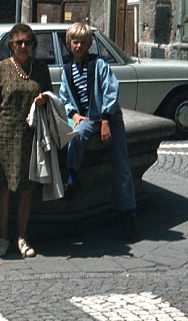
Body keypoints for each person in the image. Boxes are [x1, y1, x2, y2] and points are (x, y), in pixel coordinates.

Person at [58, 21, 137, 239]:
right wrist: (73, 114)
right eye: (75, 42)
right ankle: (73, 177)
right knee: (76, 136)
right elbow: (65, 95)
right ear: (69, 43)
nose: (78, 46)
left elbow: (110, 91)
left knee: (120, 162)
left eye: (83, 42)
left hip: (108, 118)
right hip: (86, 118)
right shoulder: (67, 69)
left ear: (89, 44)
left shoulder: (100, 64)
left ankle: (129, 212)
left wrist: (105, 121)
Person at [0, 24, 52, 259]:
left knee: (25, 189)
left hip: (29, 135)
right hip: (5, 134)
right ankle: (2, 238)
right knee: (3, 189)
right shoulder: (1, 68)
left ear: (33, 45)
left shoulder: (40, 69)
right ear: (11, 45)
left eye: (28, 42)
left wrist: (44, 100)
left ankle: (22, 237)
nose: (23, 46)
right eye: (19, 42)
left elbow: (52, 99)